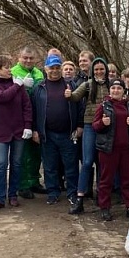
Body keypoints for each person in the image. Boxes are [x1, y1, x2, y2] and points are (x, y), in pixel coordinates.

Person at [0, 55, 33, 210]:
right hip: (0, 131)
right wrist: (17, 85)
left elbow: (26, 106)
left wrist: (28, 125)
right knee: (0, 164)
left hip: (18, 130)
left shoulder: (17, 85)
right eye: (6, 67)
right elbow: (2, 97)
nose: (10, 70)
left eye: (10, 66)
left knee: (16, 164)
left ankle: (13, 195)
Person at [33, 57, 83, 208]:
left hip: (68, 133)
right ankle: (52, 193)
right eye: (51, 68)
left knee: (71, 166)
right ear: (45, 69)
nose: (54, 71)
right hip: (47, 134)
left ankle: (72, 193)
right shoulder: (39, 87)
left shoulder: (71, 85)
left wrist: (80, 125)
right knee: (49, 166)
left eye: (57, 67)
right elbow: (33, 110)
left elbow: (80, 106)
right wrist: (35, 130)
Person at [66, 57, 110, 214]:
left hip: (107, 127)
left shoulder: (111, 85)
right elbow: (75, 97)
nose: (99, 72)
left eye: (101, 69)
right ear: (92, 71)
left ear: (105, 70)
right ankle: (80, 198)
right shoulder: (87, 84)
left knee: (103, 163)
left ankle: (102, 196)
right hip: (90, 125)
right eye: (96, 69)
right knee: (86, 162)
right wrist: (69, 94)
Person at [93, 79, 129, 221]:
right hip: (109, 149)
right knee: (106, 180)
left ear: (123, 91)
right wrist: (103, 123)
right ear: (110, 90)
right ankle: (105, 207)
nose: (116, 91)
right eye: (113, 88)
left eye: (119, 88)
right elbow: (95, 126)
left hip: (126, 149)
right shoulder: (104, 106)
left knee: (127, 180)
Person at [10, 47, 45, 199]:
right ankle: (22, 185)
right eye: (25, 58)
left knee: (36, 152)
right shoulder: (13, 72)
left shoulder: (39, 73)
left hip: (37, 116)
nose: (28, 61)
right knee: (22, 154)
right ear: (19, 57)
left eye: (31, 58)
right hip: (20, 118)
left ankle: (34, 181)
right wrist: (21, 86)